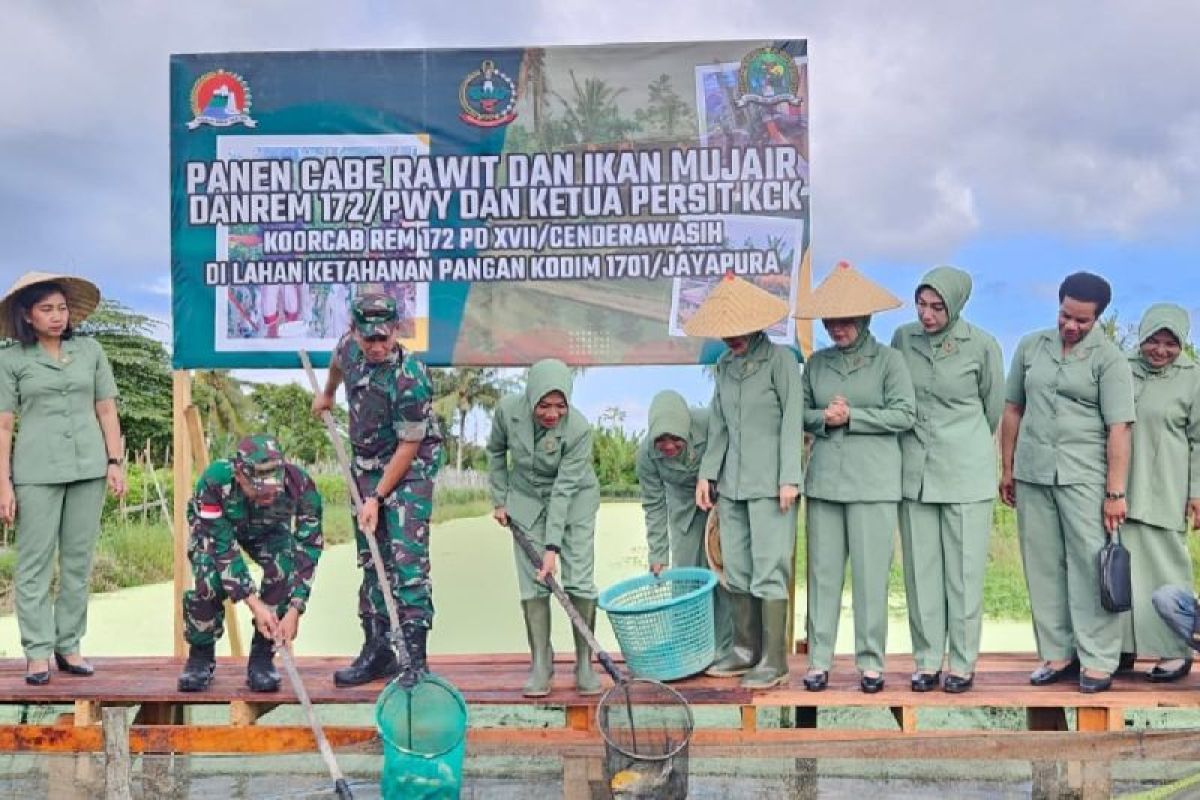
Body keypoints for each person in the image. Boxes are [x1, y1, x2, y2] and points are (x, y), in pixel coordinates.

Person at [1000, 271, 1135, 693]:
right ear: (1057, 305)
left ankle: (1097, 658)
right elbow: (1012, 409)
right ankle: (1056, 652)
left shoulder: (1108, 359)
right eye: (1065, 315)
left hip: (1084, 476)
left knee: (1088, 566)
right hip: (1034, 471)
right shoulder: (1030, 346)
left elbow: (1120, 430)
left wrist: (1115, 493)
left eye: (1081, 320)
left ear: (1097, 319)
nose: (1070, 326)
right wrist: (1007, 468)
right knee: (1042, 565)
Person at [0, 272, 126, 685]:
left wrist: (115, 461)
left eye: (61, 308)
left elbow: (106, 410)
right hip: (36, 472)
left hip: (89, 468)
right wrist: (4, 483)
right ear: (27, 315)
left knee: (78, 560)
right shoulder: (11, 359)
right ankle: (37, 652)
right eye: (46, 309)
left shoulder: (89, 351)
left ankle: (68, 645)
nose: (56, 317)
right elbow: (3, 426)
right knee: (34, 563)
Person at [795, 261, 915, 694]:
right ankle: (819, 661)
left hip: (874, 483)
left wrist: (855, 417)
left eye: (845, 320)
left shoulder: (889, 361)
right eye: (830, 321)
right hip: (825, 482)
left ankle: (870, 663)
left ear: (864, 319)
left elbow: (905, 413)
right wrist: (823, 417)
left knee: (869, 578)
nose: (837, 328)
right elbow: (802, 414)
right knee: (823, 576)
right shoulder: (818, 365)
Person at [312, 293, 443, 687]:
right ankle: (378, 651)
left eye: (383, 338)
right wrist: (329, 394)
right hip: (366, 466)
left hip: (410, 467)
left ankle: (415, 660)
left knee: (406, 559)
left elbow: (408, 445)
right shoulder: (348, 349)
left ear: (396, 331)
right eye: (368, 339)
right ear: (355, 332)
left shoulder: (411, 377)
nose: (376, 347)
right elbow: (337, 365)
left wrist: (377, 498)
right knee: (372, 558)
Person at [684, 274, 803, 690]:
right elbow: (719, 426)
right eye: (725, 332)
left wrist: (790, 477)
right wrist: (707, 474)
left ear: (756, 325)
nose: (731, 338)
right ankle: (744, 649)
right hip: (731, 484)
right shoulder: (725, 366)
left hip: (772, 485)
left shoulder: (782, 361)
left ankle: (774, 660)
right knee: (735, 566)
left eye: (738, 331)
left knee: (770, 568)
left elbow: (792, 420)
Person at [890, 266, 1004, 693]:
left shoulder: (984, 346)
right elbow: (896, 393)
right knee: (921, 574)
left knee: (963, 573)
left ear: (955, 306)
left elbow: (992, 407)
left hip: (965, 471)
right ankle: (925, 660)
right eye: (921, 304)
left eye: (937, 306)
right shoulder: (903, 339)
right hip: (915, 472)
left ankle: (961, 662)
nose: (927, 314)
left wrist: (963, 443)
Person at [487, 358, 602, 697]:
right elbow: (495, 451)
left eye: (560, 405)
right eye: (544, 405)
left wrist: (551, 548)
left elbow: (564, 490)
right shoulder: (508, 412)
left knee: (579, 578)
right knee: (532, 584)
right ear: (531, 397)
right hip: (525, 499)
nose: (552, 414)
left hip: (575, 500)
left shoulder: (579, 430)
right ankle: (541, 661)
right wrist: (500, 498)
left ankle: (584, 662)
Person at [177, 435, 324, 692]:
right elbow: (223, 550)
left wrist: (295, 608)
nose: (267, 494)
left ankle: (262, 657)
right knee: (208, 580)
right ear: (239, 474)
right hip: (217, 530)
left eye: (273, 490)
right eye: (258, 489)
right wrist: (255, 605)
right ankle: (200, 655)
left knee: (284, 569)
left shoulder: (299, 484)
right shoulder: (215, 480)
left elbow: (308, 548)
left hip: (268, 531)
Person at [1120, 304, 1200, 681]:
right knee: (1117, 570)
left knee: (1166, 568)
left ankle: (1175, 650)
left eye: (1171, 343)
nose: (1161, 350)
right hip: (1117, 487)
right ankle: (1120, 648)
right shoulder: (1121, 367)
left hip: (1166, 485)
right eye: (1154, 340)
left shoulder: (1193, 378)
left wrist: (1196, 492)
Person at [636, 390, 733, 667]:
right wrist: (657, 554)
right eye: (661, 440)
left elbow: (730, 447)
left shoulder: (708, 421)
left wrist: (713, 484)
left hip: (720, 497)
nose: (668, 446)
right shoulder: (645, 455)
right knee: (684, 576)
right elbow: (654, 506)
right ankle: (688, 647)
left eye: (675, 438)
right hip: (683, 505)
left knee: (723, 572)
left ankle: (725, 648)